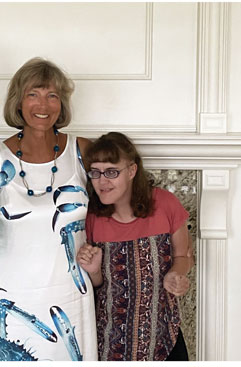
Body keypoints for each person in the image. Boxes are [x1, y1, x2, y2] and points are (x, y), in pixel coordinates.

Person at [0, 57, 98, 361]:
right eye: (33, 94)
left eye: (52, 95)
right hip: (12, 291)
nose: (43, 104)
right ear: (18, 102)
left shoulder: (83, 151)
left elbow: (111, 205)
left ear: (62, 104)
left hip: (70, 291)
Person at [76, 131, 194, 361]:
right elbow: (99, 285)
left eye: (111, 172)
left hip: (163, 338)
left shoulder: (165, 204)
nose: (102, 181)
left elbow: (184, 256)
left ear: (132, 171)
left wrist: (177, 275)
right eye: (96, 172)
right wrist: (93, 270)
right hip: (110, 343)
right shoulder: (91, 217)